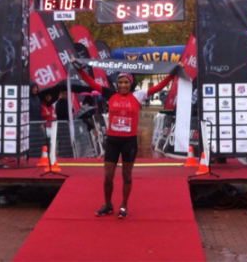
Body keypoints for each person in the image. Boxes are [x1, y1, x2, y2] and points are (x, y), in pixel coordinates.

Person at [72, 58, 182, 219]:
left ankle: (124, 205)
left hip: (129, 142)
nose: (123, 85)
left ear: (130, 84)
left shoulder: (138, 95)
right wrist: (79, 69)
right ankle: (107, 204)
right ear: (117, 84)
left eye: (126, 82)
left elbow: (159, 86)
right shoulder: (110, 94)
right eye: (120, 82)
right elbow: (90, 82)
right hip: (112, 141)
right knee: (108, 176)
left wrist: (174, 72)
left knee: (126, 176)